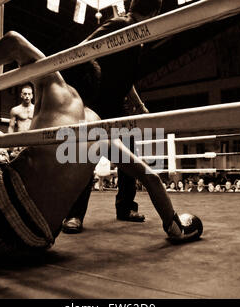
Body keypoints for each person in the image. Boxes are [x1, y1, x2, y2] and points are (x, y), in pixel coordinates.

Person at [0, 29, 202, 256]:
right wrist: (175, 225)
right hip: (31, 243)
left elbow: (13, 42)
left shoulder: (57, 87)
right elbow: (150, 176)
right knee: (25, 203)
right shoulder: (102, 130)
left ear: (64, 72)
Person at [61, 0, 163, 233]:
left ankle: (126, 208)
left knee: (128, 157)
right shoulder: (119, 24)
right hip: (97, 102)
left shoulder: (138, 38)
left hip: (117, 105)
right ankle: (74, 214)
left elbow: (126, 79)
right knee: (86, 156)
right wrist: (87, 87)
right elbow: (83, 49)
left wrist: (139, 105)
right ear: (156, 11)